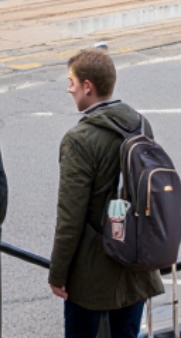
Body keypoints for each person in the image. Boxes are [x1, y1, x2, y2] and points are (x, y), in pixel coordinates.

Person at [49, 48, 162, 338]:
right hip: (136, 257)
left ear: (88, 86)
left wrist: (58, 274)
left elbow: (70, 217)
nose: (69, 88)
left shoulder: (79, 140)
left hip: (92, 271)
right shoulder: (139, 124)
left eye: (72, 81)